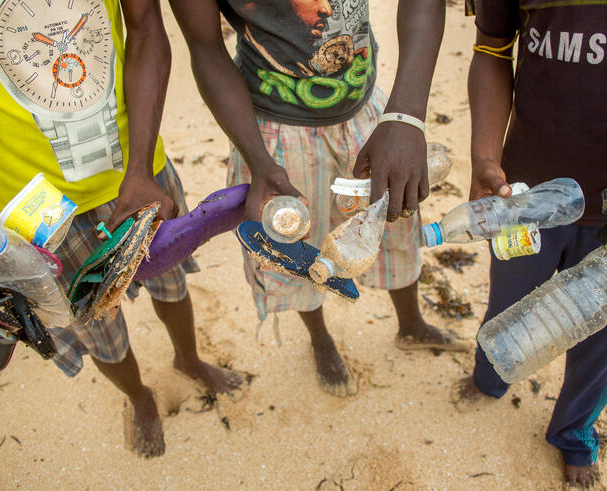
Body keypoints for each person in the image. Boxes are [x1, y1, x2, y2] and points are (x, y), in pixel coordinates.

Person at [0, 0, 247, 458]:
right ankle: (139, 395)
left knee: (170, 280)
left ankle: (188, 359)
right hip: (24, 205)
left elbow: (146, 25)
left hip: (134, 166)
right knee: (92, 321)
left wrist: (141, 168)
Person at [170, 0, 468, 398]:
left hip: (370, 117)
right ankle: (319, 337)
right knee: (300, 250)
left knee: (396, 226)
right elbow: (205, 47)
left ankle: (410, 323)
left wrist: (405, 117)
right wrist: (258, 161)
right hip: (276, 133)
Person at [454, 1, 607, 489]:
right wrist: (484, 154)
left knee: (602, 339)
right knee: (508, 306)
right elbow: (492, 50)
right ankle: (489, 378)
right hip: (526, 198)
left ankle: (573, 431)